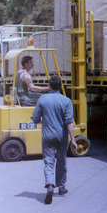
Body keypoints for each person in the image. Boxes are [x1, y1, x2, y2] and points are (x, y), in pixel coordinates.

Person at [31, 74, 76, 205]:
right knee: (62, 159)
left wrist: (39, 120)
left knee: (49, 161)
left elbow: (35, 118)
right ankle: (62, 187)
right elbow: (69, 122)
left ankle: (50, 185)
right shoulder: (66, 101)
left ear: (49, 86)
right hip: (62, 136)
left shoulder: (43, 99)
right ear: (61, 86)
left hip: (47, 136)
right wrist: (73, 139)